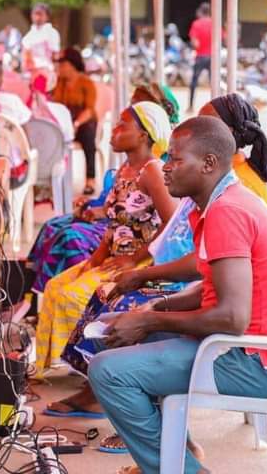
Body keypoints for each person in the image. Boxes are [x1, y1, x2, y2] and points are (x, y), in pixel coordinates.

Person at [88, 115, 267, 474]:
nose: (166, 167)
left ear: (208, 164)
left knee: (107, 371)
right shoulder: (220, 203)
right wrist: (157, 305)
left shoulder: (227, 211)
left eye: (175, 158)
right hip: (245, 351)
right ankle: (175, 455)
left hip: (250, 363)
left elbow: (232, 318)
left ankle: (183, 470)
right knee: (123, 337)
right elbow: (210, 284)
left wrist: (151, 319)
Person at [34, 102, 176, 376]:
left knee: (71, 296)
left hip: (140, 264)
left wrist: (134, 259)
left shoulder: (153, 171)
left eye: (123, 125)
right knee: (54, 287)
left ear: (143, 135)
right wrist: (95, 259)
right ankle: (61, 364)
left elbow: (171, 223)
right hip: (114, 257)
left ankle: (89, 368)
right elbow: (114, 223)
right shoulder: (123, 169)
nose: (114, 130)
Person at [51, 48, 98, 194]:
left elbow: (89, 110)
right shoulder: (59, 82)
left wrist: (76, 124)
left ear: (72, 65)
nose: (59, 68)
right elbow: (55, 104)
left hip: (83, 122)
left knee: (88, 136)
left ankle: (90, 180)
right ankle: (54, 180)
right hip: (65, 122)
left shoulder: (86, 83)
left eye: (63, 64)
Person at [22, 3, 60, 73]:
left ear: (47, 17)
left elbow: (55, 55)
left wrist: (55, 72)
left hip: (47, 70)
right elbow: (25, 57)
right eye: (35, 14)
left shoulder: (51, 33)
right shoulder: (28, 36)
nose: (37, 17)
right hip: (31, 72)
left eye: (40, 14)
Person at [188, 2, 212, 112]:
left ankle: (191, 106)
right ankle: (216, 107)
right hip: (212, 57)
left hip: (201, 56)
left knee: (194, 82)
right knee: (214, 83)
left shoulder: (196, 24)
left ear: (200, 11)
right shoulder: (214, 23)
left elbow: (195, 43)